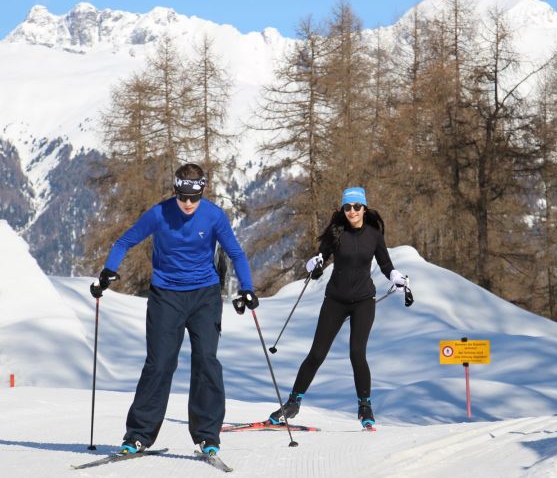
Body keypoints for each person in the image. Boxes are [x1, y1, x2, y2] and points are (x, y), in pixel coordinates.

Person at [89, 163, 258, 457]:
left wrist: (247, 287)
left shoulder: (214, 216)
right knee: (159, 363)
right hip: (166, 296)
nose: (188, 204)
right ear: (175, 192)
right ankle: (139, 435)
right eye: (182, 197)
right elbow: (125, 241)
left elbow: (236, 253)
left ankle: (207, 436)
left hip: (204, 296)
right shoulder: (159, 213)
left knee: (206, 360)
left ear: (202, 192)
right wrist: (108, 271)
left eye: (194, 198)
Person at [268, 187, 409, 428]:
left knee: (357, 353)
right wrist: (315, 263)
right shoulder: (337, 232)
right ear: (342, 210)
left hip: (364, 301)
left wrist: (396, 277)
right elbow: (321, 257)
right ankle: (293, 402)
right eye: (347, 207)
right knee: (317, 354)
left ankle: (365, 407)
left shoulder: (374, 235)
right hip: (335, 299)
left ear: (364, 208)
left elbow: (385, 263)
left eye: (356, 207)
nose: (352, 211)